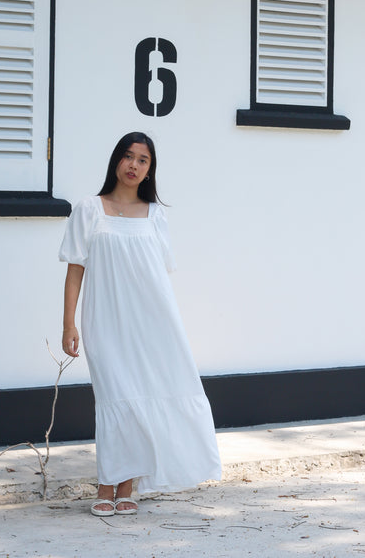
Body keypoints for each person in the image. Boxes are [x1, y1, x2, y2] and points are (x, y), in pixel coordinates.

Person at [59, 132, 222, 516]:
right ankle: (106, 484)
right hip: (105, 322)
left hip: (150, 324)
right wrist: (69, 324)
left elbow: (156, 276)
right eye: (128, 156)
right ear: (116, 160)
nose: (134, 165)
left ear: (150, 170)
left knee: (141, 399)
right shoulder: (89, 209)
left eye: (143, 160)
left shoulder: (155, 215)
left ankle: (127, 487)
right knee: (114, 398)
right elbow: (75, 269)